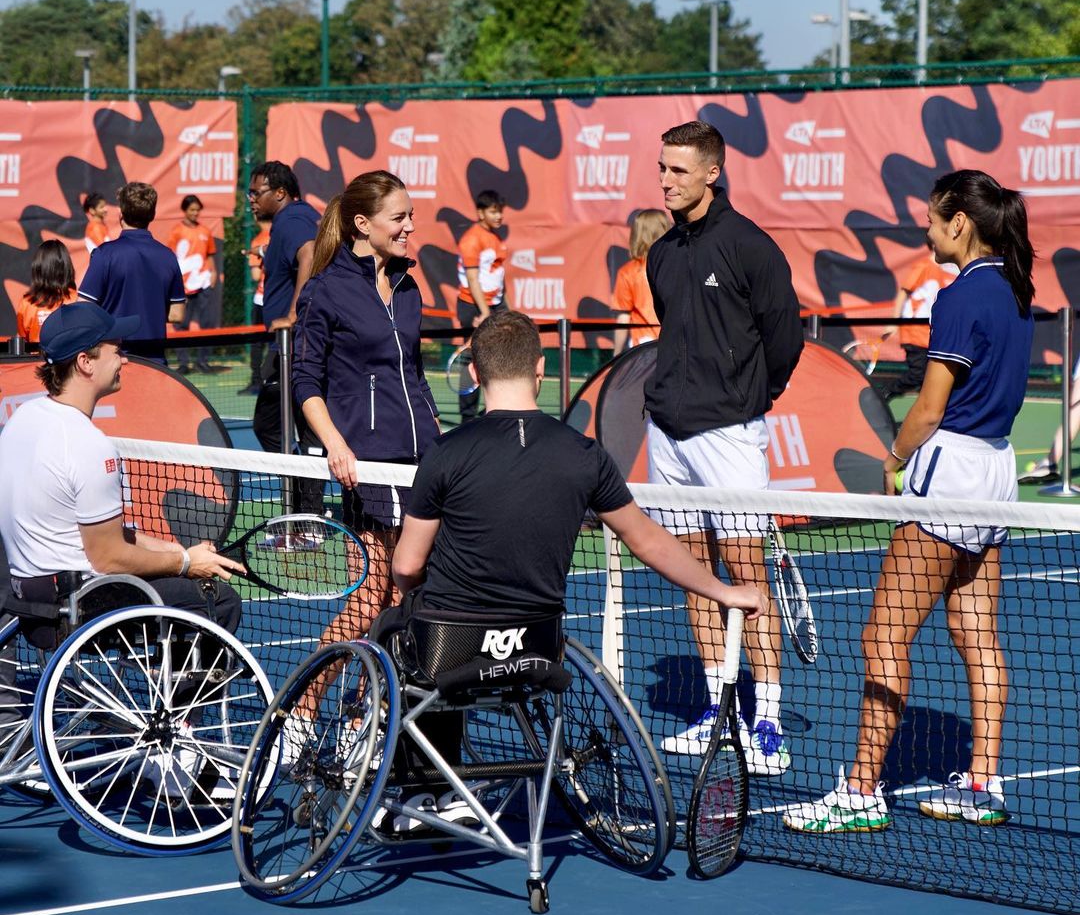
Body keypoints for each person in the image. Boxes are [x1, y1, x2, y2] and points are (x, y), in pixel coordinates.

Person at [382, 310, 767, 826]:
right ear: (541, 370)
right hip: (540, 648)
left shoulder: (446, 453)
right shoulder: (584, 454)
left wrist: (416, 586)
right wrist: (722, 590)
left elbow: (406, 565)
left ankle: (420, 793)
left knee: (393, 628)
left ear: (474, 373)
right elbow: (647, 539)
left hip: (451, 648)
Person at [784, 169, 1034, 833]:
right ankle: (984, 781)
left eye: (930, 218)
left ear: (959, 222)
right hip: (997, 475)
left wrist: (892, 461)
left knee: (882, 635)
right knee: (975, 632)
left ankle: (861, 790)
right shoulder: (1014, 289)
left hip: (948, 472)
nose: (923, 229)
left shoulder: (958, 298)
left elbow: (928, 408)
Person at [643, 120, 803, 775]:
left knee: (746, 574)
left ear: (713, 172)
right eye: (662, 167)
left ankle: (766, 719)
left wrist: (749, 401)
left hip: (730, 436)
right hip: (667, 435)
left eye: (678, 170)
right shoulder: (661, 253)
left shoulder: (750, 247)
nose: (665, 180)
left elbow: (784, 336)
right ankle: (716, 710)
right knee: (691, 573)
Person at [0, 301, 243, 650]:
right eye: (116, 351)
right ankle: (184, 703)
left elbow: (96, 534)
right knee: (221, 600)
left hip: (31, 601)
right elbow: (109, 557)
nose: (125, 360)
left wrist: (178, 549)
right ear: (85, 362)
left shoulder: (23, 418)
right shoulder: (87, 444)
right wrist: (186, 563)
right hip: (78, 607)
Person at [292, 172, 439, 645]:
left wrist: (435, 435)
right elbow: (305, 381)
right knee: (370, 597)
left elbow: (413, 373)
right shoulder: (325, 291)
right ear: (362, 223)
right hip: (370, 465)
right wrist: (336, 445)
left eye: (411, 216)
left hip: (420, 464)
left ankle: (371, 705)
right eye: (398, 218)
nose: (410, 227)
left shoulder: (408, 287)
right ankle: (303, 706)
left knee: (406, 599)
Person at [249, 161, 320, 473]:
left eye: (255, 192)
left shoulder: (292, 218)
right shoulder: (292, 218)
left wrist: (293, 314)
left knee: (269, 424)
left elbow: (310, 252)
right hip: (296, 345)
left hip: (294, 346)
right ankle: (308, 506)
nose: (251, 198)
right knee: (306, 430)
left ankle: (306, 503)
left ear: (280, 193)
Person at [77, 182, 185, 363]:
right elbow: (177, 314)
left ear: (121, 214)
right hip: (155, 363)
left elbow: (83, 309)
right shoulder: (168, 257)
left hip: (114, 363)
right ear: (153, 215)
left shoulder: (105, 254)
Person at [876, 251, 958, 400]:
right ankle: (883, 393)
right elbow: (903, 293)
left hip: (932, 335)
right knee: (918, 374)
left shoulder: (947, 270)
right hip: (914, 332)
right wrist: (894, 321)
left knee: (931, 381)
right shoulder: (923, 266)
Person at [455, 190, 507, 422]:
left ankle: (494, 411)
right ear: (480, 212)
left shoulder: (495, 238)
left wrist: (504, 308)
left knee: (496, 357)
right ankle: (468, 417)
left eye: (500, 211)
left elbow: (497, 277)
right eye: (493, 211)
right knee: (471, 357)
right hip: (473, 307)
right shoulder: (471, 239)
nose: (499, 216)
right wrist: (484, 313)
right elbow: (473, 280)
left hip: (494, 306)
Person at [167, 195, 218, 374]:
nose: (195, 213)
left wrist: (213, 273)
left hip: (203, 283)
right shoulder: (176, 231)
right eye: (192, 209)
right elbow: (172, 259)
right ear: (185, 210)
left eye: (197, 210)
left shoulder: (205, 231)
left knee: (206, 323)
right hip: (184, 286)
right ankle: (183, 363)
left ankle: (202, 361)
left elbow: (210, 255)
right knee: (182, 324)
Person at [611, 208, 668, 354]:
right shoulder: (675, 266)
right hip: (672, 342)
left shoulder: (628, 272)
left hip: (643, 347)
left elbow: (623, 317)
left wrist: (616, 355)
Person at [16, 241, 78, 344]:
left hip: (37, 359)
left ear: (38, 268)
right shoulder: (77, 300)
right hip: (69, 359)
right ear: (67, 267)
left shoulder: (27, 303)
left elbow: (22, 341)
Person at [240, 214, 272, 397]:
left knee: (257, 343)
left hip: (263, 299)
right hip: (276, 300)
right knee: (277, 342)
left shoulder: (260, 240)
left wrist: (253, 255)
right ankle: (272, 379)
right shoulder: (281, 235)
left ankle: (257, 381)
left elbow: (254, 276)